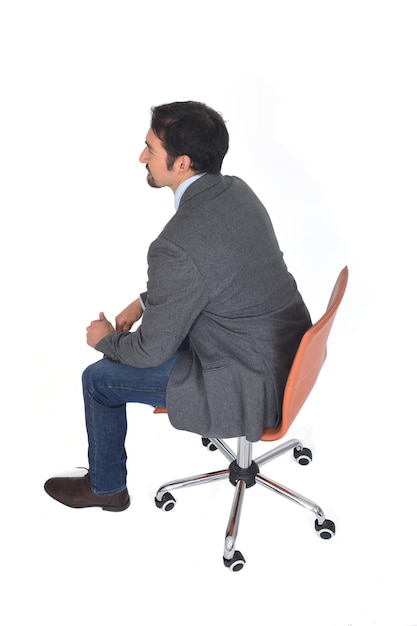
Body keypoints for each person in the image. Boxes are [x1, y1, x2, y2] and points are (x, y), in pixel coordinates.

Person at [44, 101, 312, 512]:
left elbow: (152, 349)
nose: (141, 157)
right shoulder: (236, 191)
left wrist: (105, 341)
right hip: (285, 354)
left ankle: (106, 488)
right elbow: (218, 272)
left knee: (98, 380)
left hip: (245, 384)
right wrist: (144, 301)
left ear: (182, 163)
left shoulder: (175, 245)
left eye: (150, 149)